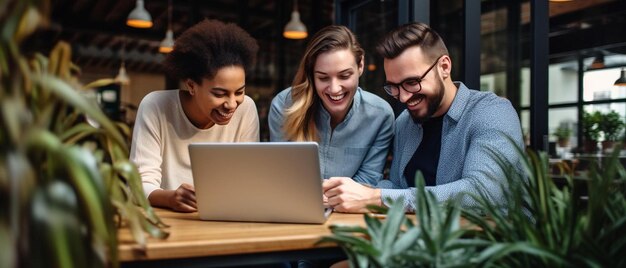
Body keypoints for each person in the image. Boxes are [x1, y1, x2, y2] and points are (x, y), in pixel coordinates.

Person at [323, 22, 524, 212]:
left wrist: (377, 198)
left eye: (412, 82)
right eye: (393, 86)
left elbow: (484, 193)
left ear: (444, 67)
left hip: (486, 242)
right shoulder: (405, 122)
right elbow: (397, 186)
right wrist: (352, 191)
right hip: (424, 241)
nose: (403, 97)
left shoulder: (492, 112)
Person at [130, 19, 260, 212]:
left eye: (239, 92)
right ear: (191, 86)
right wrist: (171, 198)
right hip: (168, 221)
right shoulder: (156, 106)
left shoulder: (246, 108)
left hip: (225, 219)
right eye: (219, 93)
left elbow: (248, 178)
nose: (232, 104)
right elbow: (139, 185)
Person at [268, 25, 395, 186]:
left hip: (349, 209)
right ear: (311, 75)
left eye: (344, 76)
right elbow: (281, 175)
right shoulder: (284, 105)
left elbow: (367, 182)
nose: (335, 88)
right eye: (323, 78)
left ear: (361, 65)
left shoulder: (381, 116)